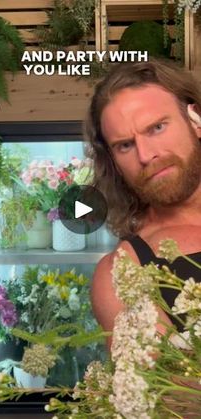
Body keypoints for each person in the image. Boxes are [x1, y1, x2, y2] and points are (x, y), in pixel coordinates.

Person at [85, 59, 201, 348]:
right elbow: (173, 391)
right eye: (125, 145)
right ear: (113, 161)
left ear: (195, 120)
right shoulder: (123, 273)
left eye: (157, 128)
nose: (146, 155)